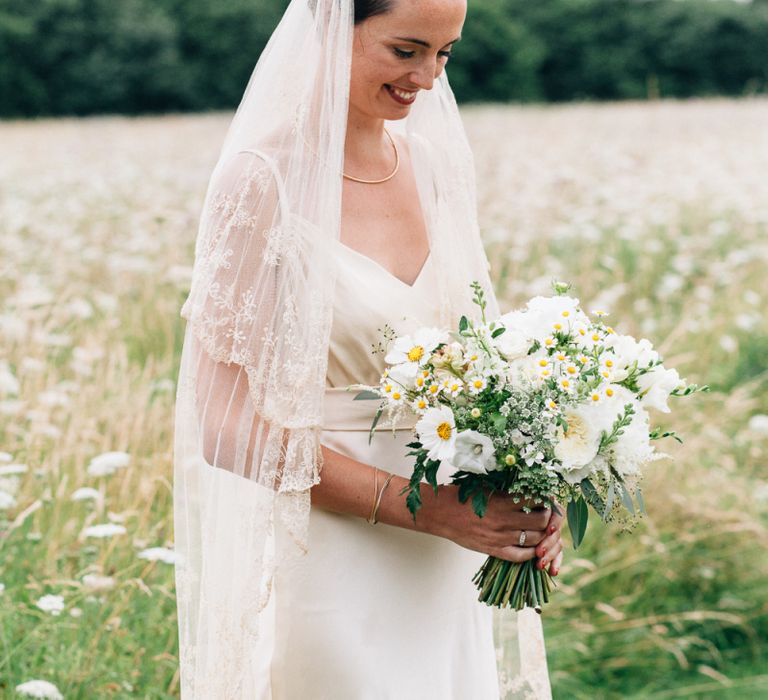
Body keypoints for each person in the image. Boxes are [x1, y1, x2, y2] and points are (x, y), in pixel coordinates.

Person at [174, 0, 564, 698]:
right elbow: (226, 428)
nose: (427, 78)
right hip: (330, 556)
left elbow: (477, 369)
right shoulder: (262, 182)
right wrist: (426, 509)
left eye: (445, 54)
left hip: (448, 558)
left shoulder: (435, 168)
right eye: (406, 50)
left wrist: (526, 497)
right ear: (331, 29)